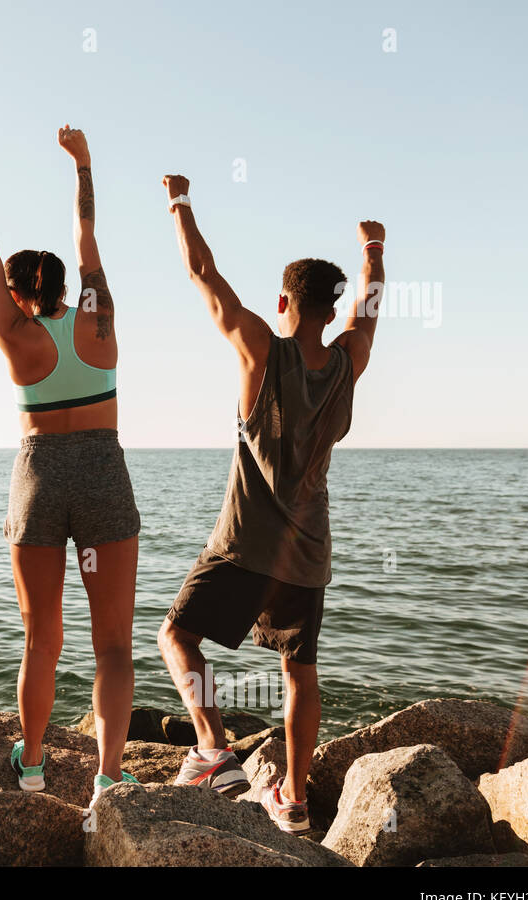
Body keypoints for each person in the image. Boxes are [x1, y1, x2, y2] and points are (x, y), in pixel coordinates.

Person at [156, 172, 385, 832]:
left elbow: (203, 273)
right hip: (310, 552)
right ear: (329, 306)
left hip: (246, 543)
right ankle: (295, 798)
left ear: (284, 300)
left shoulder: (261, 352)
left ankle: (213, 749)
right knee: (299, 672)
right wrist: (373, 251)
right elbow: (367, 311)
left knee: (177, 635)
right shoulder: (348, 363)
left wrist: (179, 202)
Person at [0, 126, 141, 804]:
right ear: (73, 286)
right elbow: (88, 235)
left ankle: (32, 767)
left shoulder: (15, 334)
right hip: (101, 470)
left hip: (38, 475)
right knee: (114, 646)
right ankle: (108, 775)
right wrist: (84, 163)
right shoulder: (98, 321)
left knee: (42, 639)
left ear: (15, 292)